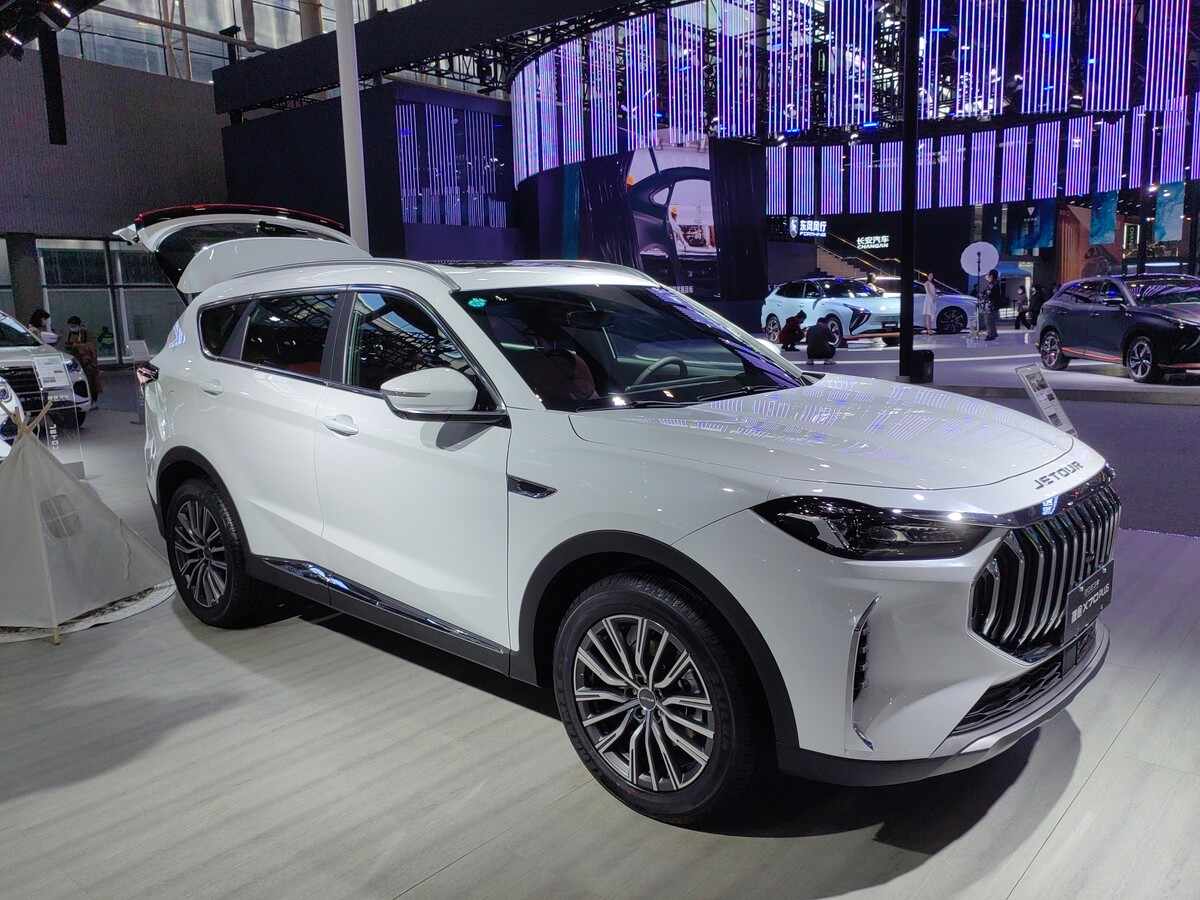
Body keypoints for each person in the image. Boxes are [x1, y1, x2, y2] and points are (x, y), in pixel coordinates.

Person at [64, 315, 103, 400]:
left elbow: (92, 346)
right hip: (75, 361)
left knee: (91, 381)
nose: (72, 328)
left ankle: (92, 399)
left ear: (79, 325)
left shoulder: (86, 334)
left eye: (74, 326)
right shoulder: (69, 334)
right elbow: (67, 346)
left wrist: (77, 346)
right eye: (70, 326)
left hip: (87, 362)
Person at [980, 271, 1001, 340]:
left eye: (987, 275)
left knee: (988, 320)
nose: (986, 276)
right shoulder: (993, 284)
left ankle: (990, 335)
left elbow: (990, 294)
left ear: (991, 276)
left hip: (990, 305)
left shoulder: (993, 284)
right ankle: (994, 333)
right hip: (991, 304)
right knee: (990, 320)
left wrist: (983, 295)